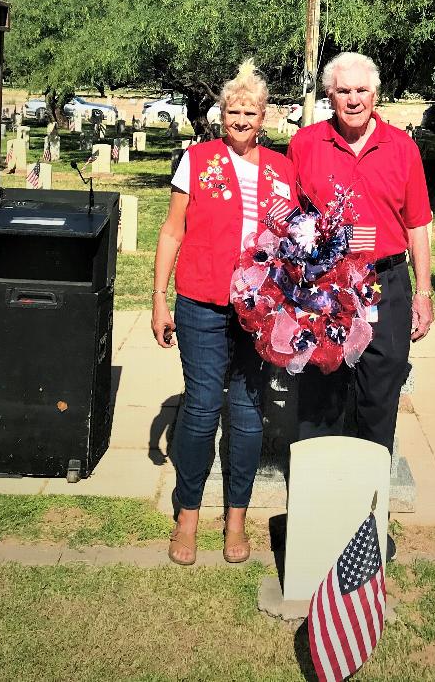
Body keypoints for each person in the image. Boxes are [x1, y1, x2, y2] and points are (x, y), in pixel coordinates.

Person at [152, 59, 297, 567]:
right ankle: (187, 515)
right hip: (201, 303)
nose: (240, 119)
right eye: (232, 110)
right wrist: (158, 296)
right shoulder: (197, 159)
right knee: (200, 408)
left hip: (259, 311)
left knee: (247, 414)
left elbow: (299, 240)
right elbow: (172, 231)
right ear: (220, 113)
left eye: (250, 111)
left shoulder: (283, 169)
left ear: (264, 117)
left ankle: (236, 515)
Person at [287, 52, 434, 484]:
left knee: (379, 396)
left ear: (376, 94)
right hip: (323, 287)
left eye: (362, 90)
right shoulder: (305, 144)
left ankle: (367, 508)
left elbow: (418, 225)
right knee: (320, 395)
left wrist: (423, 294)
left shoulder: (402, 148)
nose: (353, 99)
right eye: (344, 91)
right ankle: (317, 506)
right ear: (329, 95)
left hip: (385, 283)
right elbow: (289, 222)